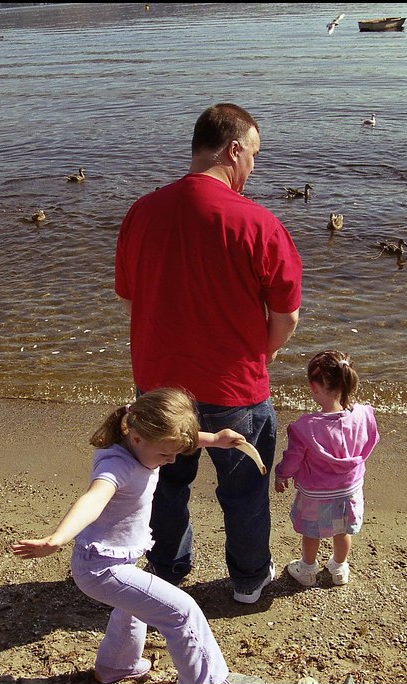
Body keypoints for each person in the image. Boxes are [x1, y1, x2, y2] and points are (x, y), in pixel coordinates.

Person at [114, 103, 303, 603]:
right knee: (242, 493)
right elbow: (285, 318)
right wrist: (257, 355)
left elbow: (131, 294)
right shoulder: (260, 224)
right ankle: (246, 581)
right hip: (235, 389)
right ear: (234, 149)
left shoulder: (142, 212)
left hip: (158, 387)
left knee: (165, 484)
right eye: (255, 155)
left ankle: (168, 569)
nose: (254, 169)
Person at [12, 389, 263, 684]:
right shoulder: (116, 465)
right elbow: (93, 499)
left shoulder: (144, 442)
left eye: (175, 453)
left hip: (117, 561)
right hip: (101, 568)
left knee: (133, 609)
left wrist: (216, 439)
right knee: (182, 611)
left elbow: (179, 440)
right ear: (137, 438)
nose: (170, 461)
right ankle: (210, 681)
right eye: (164, 454)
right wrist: (58, 538)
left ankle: (117, 666)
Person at [274, 350, 379, 587]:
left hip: (316, 494)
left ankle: (308, 569)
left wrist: (282, 474)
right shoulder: (363, 414)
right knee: (342, 531)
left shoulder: (305, 427)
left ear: (314, 387)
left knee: (312, 532)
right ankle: (339, 568)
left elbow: (293, 458)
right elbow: (371, 440)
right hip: (349, 489)